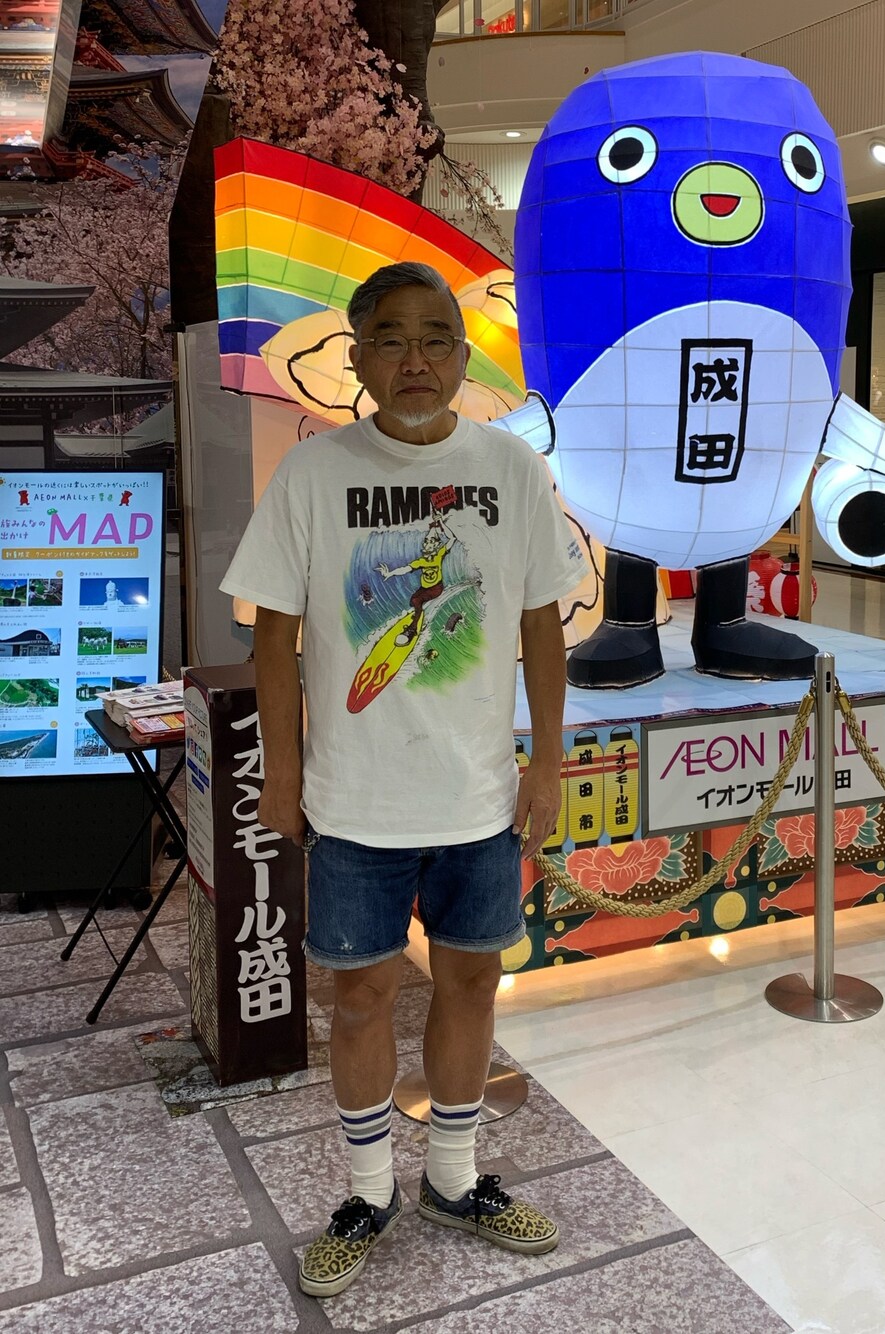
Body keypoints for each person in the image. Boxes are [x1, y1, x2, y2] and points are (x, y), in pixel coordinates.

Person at [221, 261, 585, 1299]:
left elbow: (540, 626)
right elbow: (275, 639)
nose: (415, 358)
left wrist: (546, 762)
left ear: (463, 359)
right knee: (361, 997)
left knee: (472, 981)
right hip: (354, 801)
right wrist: (281, 773)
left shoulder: (511, 469)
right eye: (391, 338)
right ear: (359, 358)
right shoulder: (312, 473)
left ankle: (454, 1180)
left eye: (435, 338)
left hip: (479, 796)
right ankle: (369, 1193)